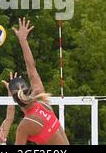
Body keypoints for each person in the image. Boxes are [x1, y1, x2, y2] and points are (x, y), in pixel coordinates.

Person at [9, 17, 69, 145]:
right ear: (28, 89)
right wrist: (23, 40)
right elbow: (31, 67)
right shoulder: (41, 98)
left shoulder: (24, 126)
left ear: (14, 100)